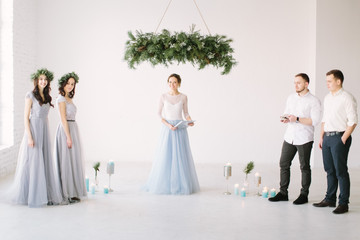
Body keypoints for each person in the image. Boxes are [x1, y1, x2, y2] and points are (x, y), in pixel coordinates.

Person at [8, 68, 63, 207]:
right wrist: (30, 137)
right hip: (33, 131)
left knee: (43, 162)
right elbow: (26, 118)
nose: (43, 82)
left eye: (45, 80)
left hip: (43, 131)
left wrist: (47, 133)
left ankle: (45, 193)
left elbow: (45, 117)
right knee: (33, 163)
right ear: (37, 81)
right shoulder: (30, 95)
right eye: (41, 79)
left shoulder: (47, 96)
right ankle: (30, 195)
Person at [269, 73, 321, 204]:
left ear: (306, 84)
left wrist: (297, 119)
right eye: (294, 82)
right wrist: (286, 118)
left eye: (299, 82)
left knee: (304, 166)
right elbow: (287, 112)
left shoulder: (314, 101)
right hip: (290, 136)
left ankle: (304, 195)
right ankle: (283, 192)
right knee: (284, 164)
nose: (296, 85)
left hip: (304, 137)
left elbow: (315, 121)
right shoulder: (291, 97)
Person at [144, 73, 200, 195]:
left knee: (180, 156)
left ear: (179, 83)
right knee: (166, 155)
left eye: (174, 82)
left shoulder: (184, 97)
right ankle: (165, 183)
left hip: (180, 128)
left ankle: (181, 184)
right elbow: (159, 114)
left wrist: (189, 121)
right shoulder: (163, 96)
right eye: (170, 82)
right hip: (168, 129)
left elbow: (186, 113)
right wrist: (168, 125)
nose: (172, 84)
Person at [313, 69, 358, 214]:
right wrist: (321, 137)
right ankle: (330, 199)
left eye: (329, 81)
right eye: (326, 81)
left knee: (341, 171)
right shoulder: (327, 97)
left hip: (339, 137)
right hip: (327, 137)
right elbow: (325, 119)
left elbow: (353, 121)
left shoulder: (347, 98)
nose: (327, 84)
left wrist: (343, 138)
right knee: (329, 170)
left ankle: (343, 203)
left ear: (338, 81)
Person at [54, 72, 87, 204]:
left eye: (72, 84)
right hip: (66, 130)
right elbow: (63, 118)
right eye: (68, 83)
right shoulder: (61, 99)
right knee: (66, 160)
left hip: (73, 128)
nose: (70, 86)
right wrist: (68, 136)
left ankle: (72, 191)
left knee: (73, 160)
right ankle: (66, 192)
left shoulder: (69, 98)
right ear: (63, 84)